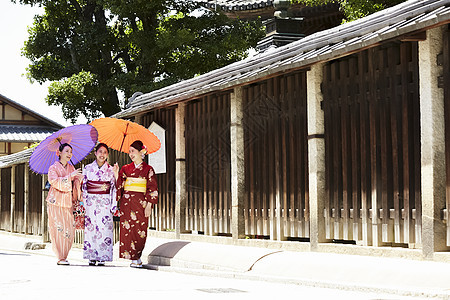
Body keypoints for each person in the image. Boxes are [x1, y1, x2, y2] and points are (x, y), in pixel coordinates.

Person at [115, 140, 158, 268]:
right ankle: (134, 258)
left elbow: (152, 188)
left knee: (140, 230)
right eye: (129, 152)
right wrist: (115, 173)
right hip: (127, 203)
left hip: (141, 204)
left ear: (141, 152)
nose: (130, 154)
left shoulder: (148, 169)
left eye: (133, 151)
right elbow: (119, 186)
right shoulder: (125, 168)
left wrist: (149, 205)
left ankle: (137, 256)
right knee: (128, 230)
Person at [81, 143, 117, 266]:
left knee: (104, 228)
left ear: (107, 155)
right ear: (95, 153)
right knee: (91, 229)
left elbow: (114, 188)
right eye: (100, 152)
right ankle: (91, 255)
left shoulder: (111, 170)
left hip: (105, 202)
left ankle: (103, 256)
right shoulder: (87, 168)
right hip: (91, 202)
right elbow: (84, 186)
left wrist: (113, 204)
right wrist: (85, 202)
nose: (102, 154)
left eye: (105, 152)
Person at [46, 143, 82, 265]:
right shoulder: (53, 168)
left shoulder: (71, 168)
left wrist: (78, 179)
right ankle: (60, 257)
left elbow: (75, 184)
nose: (69, 154)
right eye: (66, 151)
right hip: (55, 202)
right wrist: (69, 177)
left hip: (68, 202)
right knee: (57, 228)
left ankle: (65, 255)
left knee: (69, 229)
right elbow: (53, 181)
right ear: (59, 153)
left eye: (70, 151)